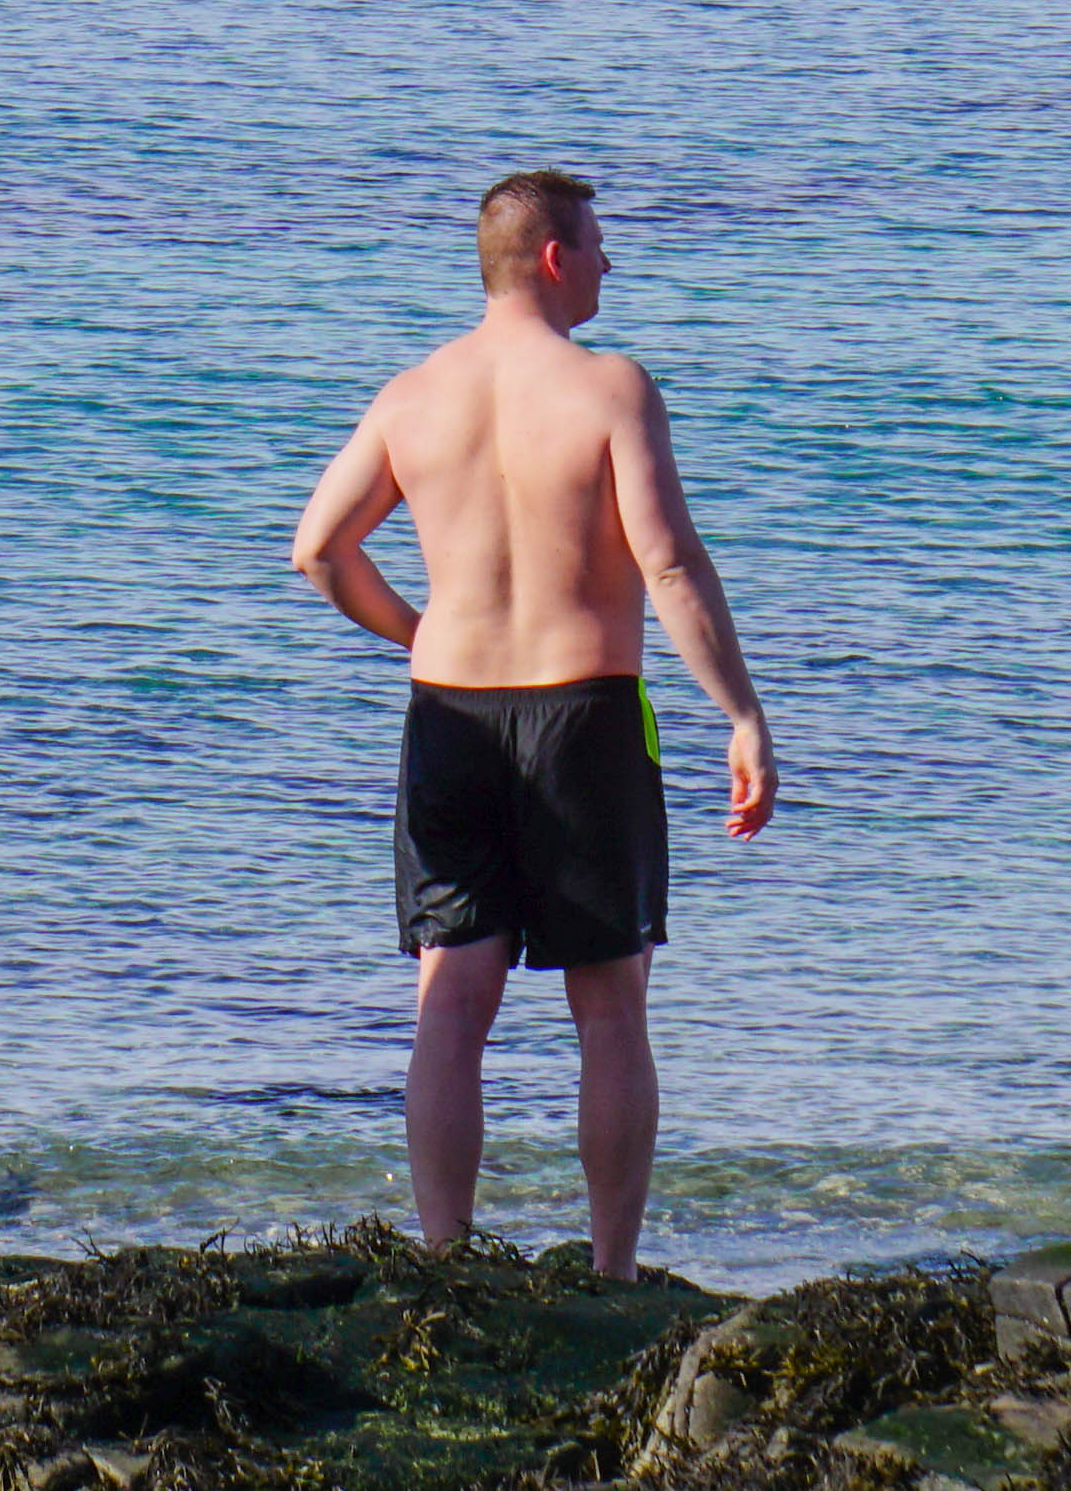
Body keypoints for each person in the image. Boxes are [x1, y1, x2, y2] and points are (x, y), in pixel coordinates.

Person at [288, 167, 778, 1277]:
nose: (610, 261)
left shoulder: (412, 394)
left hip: (448, 713)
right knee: (608, 1003)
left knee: (451, 1000)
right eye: (599, 243)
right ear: (553, 256)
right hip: (583, 716)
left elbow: (318, 548)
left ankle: (445, 1262)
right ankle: (610, 1272)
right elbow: (667, 560)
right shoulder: (610, 388)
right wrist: (739, 711)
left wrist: (419, 634)